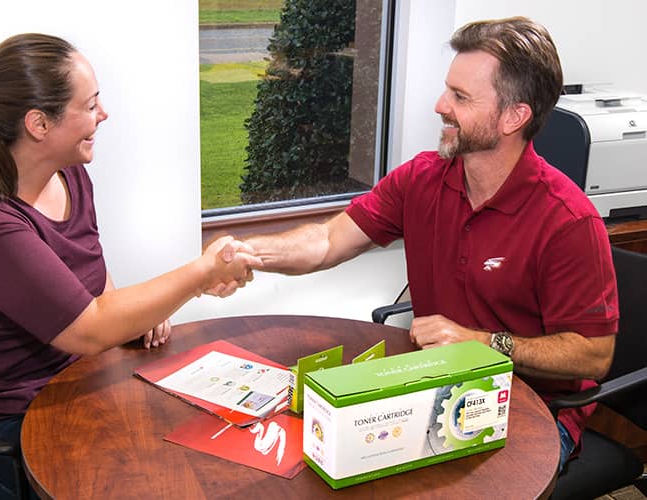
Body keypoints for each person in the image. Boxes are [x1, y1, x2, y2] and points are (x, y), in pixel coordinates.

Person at [240, 17, 618, 473]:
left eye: (461, 97)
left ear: (513, 116)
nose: (440, 105)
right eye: (447, 89)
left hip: (533, 412)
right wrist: (244, 253)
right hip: (435, 388)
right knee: (326, 457)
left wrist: (483, 343)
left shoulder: (567, 220)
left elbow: (594, 356)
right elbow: (326, 241)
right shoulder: (421, 180)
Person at [0, 33, 258, 500]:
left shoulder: (71, 177)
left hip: (72, 391)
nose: (103, 115)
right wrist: (200, 274)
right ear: (39, 123)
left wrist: (140, 316)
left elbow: (98, 294)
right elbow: (87, 330)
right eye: (90, 104)